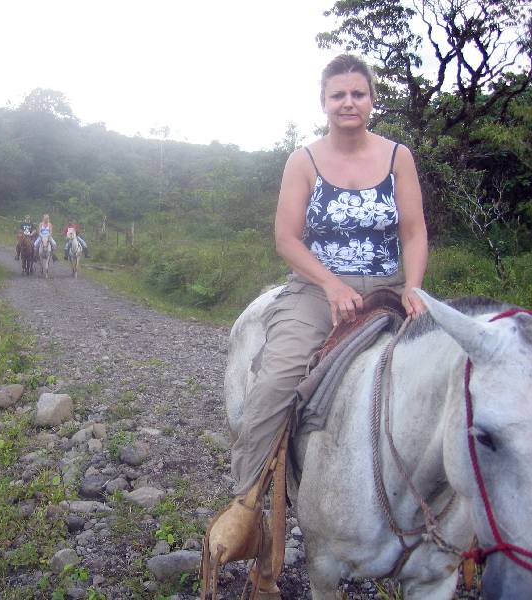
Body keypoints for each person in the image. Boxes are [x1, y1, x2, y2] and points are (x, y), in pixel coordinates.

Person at [207, 54, 428, 598]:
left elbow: (415, 229)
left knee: (455, 373)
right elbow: (287, 238)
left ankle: (462, 523)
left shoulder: (398, 157)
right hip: (315, 289)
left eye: (358, 94)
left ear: (372, 99)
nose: (349, 103)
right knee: (277, 379)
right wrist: (330, 284)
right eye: (338, 96)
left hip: (389, 286)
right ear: (324, 102)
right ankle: (248, 502)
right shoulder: (303, 160)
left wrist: (415, 288)